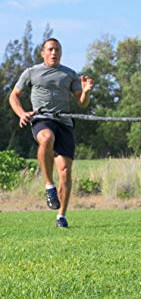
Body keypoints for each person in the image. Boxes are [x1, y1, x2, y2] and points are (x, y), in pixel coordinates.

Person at [9, 38, 94, 228]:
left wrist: (86, 91)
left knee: (65, 172)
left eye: (57, 49)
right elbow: (13, 96)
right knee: (46, 137)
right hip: (42, 119)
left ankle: (61, 216)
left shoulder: (69, 74)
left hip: (64, 122)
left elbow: (82, 102)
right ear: (43, 53)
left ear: (61, 52)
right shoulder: (31, 72)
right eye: (50, 49)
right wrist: (22, 113)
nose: (54, 53)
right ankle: (49, 185)